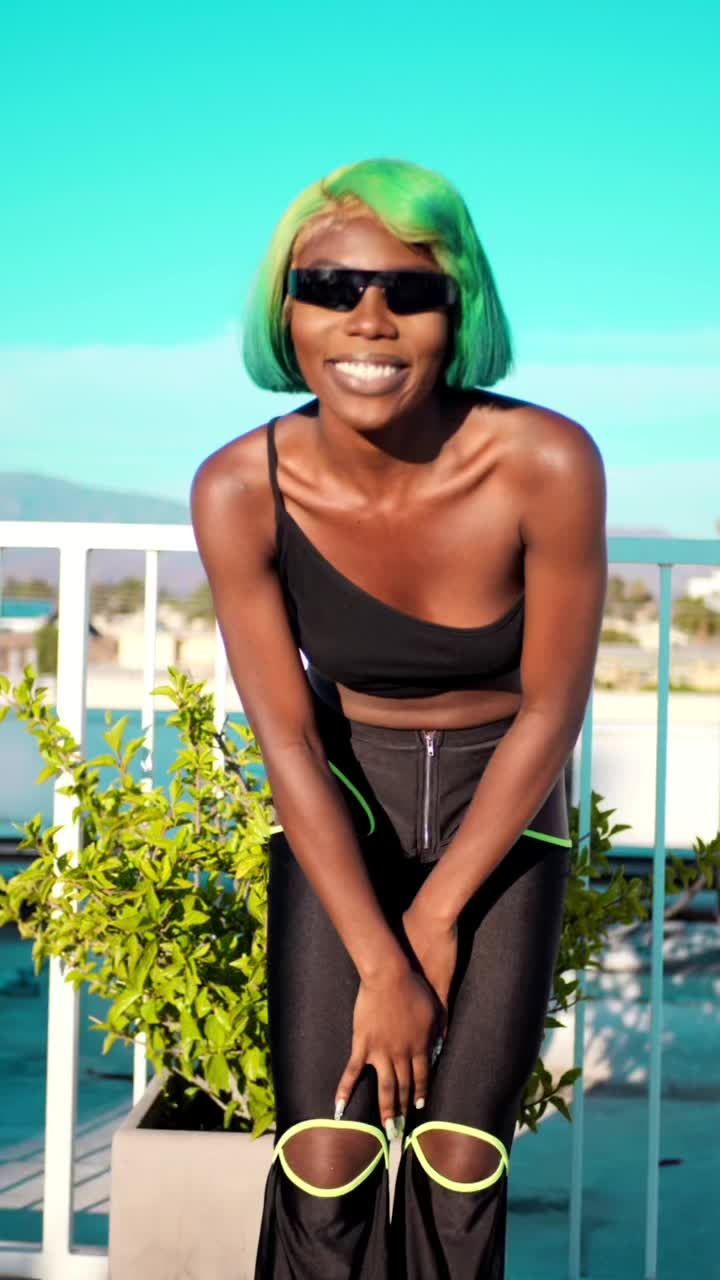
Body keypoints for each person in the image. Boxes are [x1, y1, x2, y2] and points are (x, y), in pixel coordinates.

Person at [191, 157, 607, 1279]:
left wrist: (435, 918)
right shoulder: (240, 486)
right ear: (285, 309)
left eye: (409, 291)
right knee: (324, 1157)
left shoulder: (548, 462)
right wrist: (381, 957)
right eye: (330, 286)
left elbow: (552, 708)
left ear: (458, 311)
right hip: (345, 793)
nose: (367, 319)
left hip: (506, 804)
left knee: (458, 1161)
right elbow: (289, 739)